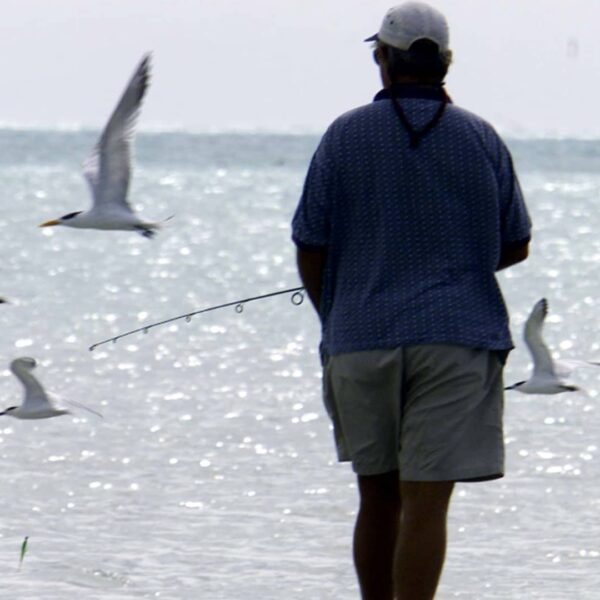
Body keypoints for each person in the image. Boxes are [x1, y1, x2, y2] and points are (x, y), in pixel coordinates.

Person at [291, 2, 531, 599]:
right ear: (446, 62)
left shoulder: (344, 134)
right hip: (457, 339)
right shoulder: (480, 136)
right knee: (427, 504)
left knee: (377, 497)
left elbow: (310, 240)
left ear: (383, 60)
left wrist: (336, 314)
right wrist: (455, 259)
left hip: (358, 339)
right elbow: (516, 243)